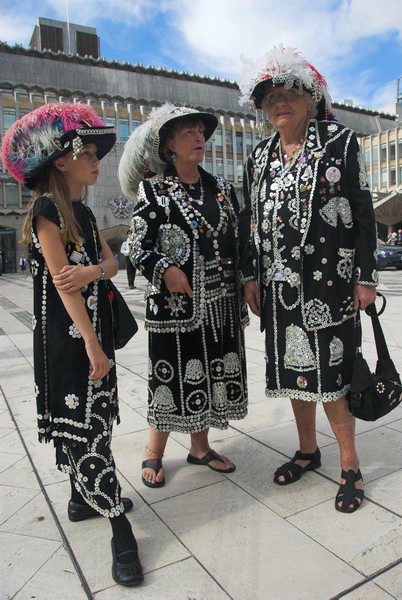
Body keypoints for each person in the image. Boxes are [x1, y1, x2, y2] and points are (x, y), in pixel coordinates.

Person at [1, 102, 143, 586]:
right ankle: (119, 528)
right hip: (69, 340)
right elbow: (64, 286)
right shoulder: (46, 211)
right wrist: (91, 344)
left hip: (93, 333)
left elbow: (111, 265)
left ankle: (82, 497)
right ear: (61, 160)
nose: (96, 159)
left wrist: (92, 271)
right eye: (87, 151)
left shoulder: (82, 209)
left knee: (97, 419)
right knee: (82, 424)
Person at [237, 46, 378, 513]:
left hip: (329, 285)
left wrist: (365, 277)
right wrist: (250, 276)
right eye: (270, 97)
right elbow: (250, 220)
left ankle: (350, 465)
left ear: (311, 98)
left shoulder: (339, 141)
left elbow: (362, 215)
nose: (279, 102)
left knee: (333, 377)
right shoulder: (258, 157)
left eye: (289, 94)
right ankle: (306, 450)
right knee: (294, 374)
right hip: (278, 291)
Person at [118, 103, 248, 488]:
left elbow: (238, 241)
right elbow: (136, 247)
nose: (198, 138)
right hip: (177, 307)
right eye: (188, 132)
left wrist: (246, 280)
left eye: (201, 132)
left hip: (221, 303)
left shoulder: (221, 190)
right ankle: (153, 452)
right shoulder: (154, 191)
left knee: (210, 377)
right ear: (169, 145)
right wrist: (165, 269)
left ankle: (200, 448)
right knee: (173, 378)